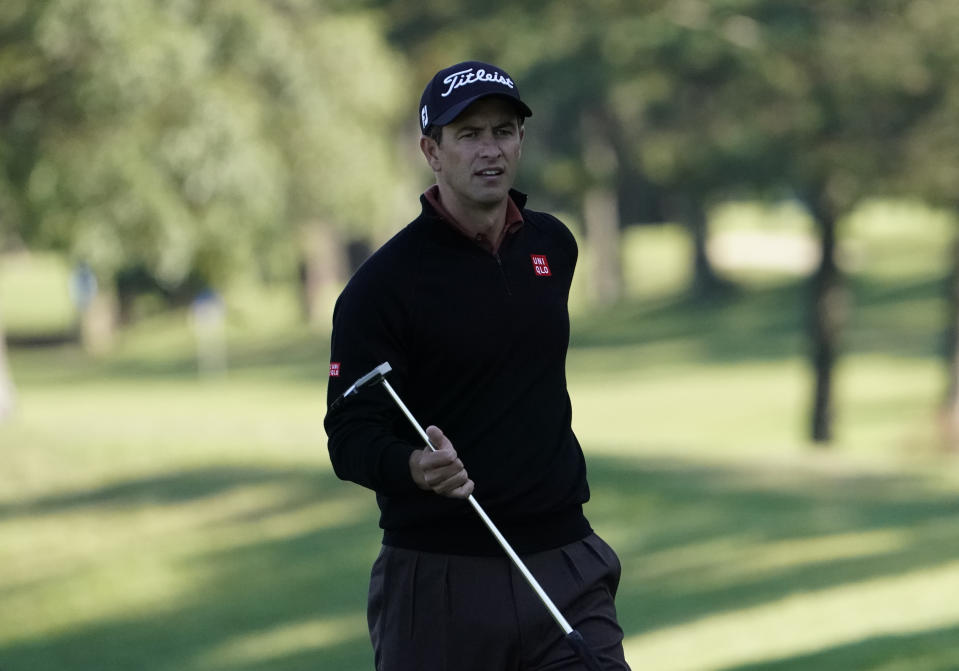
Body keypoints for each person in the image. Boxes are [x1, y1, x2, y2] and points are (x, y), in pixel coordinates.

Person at [324, 60, 630, 671]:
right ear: (431, 152)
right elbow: (348, 436)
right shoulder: (381, 288)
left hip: (563, 558)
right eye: (468, 135)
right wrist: (414, 466)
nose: (490, 150)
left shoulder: (552, 247)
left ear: (521, 141)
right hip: (438, 579)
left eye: (504, 131)